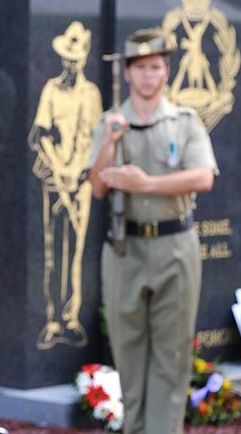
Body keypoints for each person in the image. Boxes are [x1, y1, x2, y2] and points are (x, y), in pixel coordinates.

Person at [87, 28, 218, 434]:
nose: (148, 75)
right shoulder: (110, 124)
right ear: (127, 74)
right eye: (140, 68)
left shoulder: (184, 122)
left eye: (156, 67)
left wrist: (146, 184)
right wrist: (110, 142)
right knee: (127, 350)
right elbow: (97, 185)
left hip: (174, 247)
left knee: (172, 352)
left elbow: (203, 177)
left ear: (167, 71)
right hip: (125, 249)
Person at [27, 21, 103, 349]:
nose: (71, 62)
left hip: (81, 183)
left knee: (76, 252)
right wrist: (59, 170)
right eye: (66, 57)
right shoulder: (51, 90)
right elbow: (40, 135)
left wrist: (80, 174)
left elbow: (97, 141)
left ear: (84, 57)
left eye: (77, 57)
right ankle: (53, 319)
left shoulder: (93, 94)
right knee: (52, 251)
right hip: (54, 181)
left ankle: (72, 318)